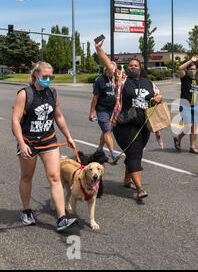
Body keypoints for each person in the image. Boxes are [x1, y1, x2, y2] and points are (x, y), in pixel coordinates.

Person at [11, 62, 78, 231]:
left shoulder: (53, 93)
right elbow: (15, 121)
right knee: (27, 177)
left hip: (49, 140)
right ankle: (26, 211)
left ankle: (62, 218)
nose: (48, 79)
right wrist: (21, 142)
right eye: (45, 76)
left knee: (55, 177)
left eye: (51, 77)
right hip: (29, 142)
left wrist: (69, 136)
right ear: (36, 75)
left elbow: (59, 116)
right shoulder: (25, 94)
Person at [96, 39, 162, 200]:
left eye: (136, 65)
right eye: (131, 65)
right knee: (134, 154)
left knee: (136, 152)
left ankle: (127, 180)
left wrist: (158, 98)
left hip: (143, 125)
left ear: (140, 68)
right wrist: (99, 50)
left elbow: (157, 96)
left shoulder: (148, 83)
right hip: (125, 125)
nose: (133, 67)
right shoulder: (122, 80)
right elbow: (111, 67)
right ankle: (139, 188)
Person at [173, 55, 198, 154]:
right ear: (188, 70)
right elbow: (180, 68)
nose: (193, 71)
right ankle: (178, 138)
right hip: (185, 106)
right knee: (188, 126)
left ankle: (192, 147)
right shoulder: (184, 78)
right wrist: (191, 61)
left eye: (194, 69)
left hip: (196, 106)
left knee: (194, 128)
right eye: (191, 69)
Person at [89, 62, 120, 162]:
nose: (114, 71)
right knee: (107, 130)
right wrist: (91, 112)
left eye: (115, 69)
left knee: (106, 130)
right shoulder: (100, 81)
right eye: (111, 69)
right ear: (106, 69)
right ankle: (113, 153)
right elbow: (95, 97)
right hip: (102, 110)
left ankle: (99, 149)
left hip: (113, 110)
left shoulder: (115, 79)